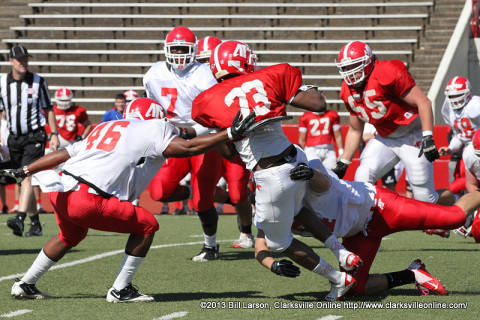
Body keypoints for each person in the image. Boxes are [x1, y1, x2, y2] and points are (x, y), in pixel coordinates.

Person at [5, 97, 256, 302]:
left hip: (60, 192)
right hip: (87, 198)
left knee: (70, 236)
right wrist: (228, 134)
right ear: (157, 118)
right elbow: (188, 147)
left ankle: (26, 283)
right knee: (147, 224)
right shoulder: (154, 128)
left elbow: (62, 153)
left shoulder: (106, 127)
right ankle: (121, 289)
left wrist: (25, 170)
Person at [192, 40, 363, 300]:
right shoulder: (270, 76)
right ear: (244, 61)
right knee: (299, 211)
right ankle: (342, 253)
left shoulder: (208, 100)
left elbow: (228, 153)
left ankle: (338, 278)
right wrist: (311, 91)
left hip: (271, 175)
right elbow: (319, 106)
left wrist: (229, 135)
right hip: (296, 157)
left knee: (277, 244)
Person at [257, 159, 480, 297]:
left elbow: (322, 183)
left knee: (454, 218)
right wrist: (272, 264)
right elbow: (261, 245)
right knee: (356, 288)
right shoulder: (270, 211)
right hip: (358, 235)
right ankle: (412, 274)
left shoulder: (302, 180)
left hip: (380, 208)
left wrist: (309, 173)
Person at [143, 26, 225, 261]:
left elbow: (216, 118)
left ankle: (211, 246)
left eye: (183, 49)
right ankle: (202, 191)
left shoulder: (203, 74)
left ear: (194, 50)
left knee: (202, 203)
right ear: (166, 49)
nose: (179, 54)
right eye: (175, 48)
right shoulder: (153, 73)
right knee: (160, 191)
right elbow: (151, 107)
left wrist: (189, 130)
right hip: (173, 138)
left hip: (202, 138)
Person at [332, 41, 441, 204]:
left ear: (368, 62)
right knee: (362, 178)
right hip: (385, 138)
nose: (350, 73)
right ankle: (368, 222)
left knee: (425, 196)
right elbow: (355, 129)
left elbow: (423, 102)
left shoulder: (387, 72)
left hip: (411, 134)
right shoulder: (347, 90)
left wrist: (428, 137)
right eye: (346, 68)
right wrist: (344, 162)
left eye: (355, 66)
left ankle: (458, 203)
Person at [196, 35, 255, 248]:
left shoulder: (235, 82)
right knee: (203, 193)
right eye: (199, 61)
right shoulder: (191, 83)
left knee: (238, 193)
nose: (202, 67)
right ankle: (248, 202)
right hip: (211, 144)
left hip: (235, 144)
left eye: (207, 61)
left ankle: (246, 231)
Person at [0, 45, 60, 237]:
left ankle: (20, 218)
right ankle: (36, 224)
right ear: (11, 61)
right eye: (19, 59)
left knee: (26, 176)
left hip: (35, 136)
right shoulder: (2, 83)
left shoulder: (38, 82)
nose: (23, 62)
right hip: (14, 138)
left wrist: (54, 133)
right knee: (22, 179)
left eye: (26, 59)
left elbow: (48, 108)